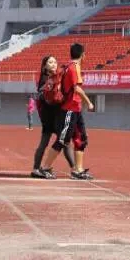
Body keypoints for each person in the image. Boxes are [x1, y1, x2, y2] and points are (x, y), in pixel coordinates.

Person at [39, 43, 94, 180]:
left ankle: (78, 170)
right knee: (63, 140)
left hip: (76, 109)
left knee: (81, 138)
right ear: (83, 55)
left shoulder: (68, 66)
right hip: (69, 109)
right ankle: (45, 167)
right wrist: (89, 102)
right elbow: (77, 88)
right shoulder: (74, 67)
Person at [31, 56, 76, 180]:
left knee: (65, 142)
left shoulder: (57, 77)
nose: (54, 64)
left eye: (55, 62)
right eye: (50, 62)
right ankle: (36, 169)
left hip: (57, 115)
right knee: (49, 142)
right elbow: (44, 97)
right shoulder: (45, 80)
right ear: (45, 66)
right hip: (49, 116)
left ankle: (74, 169)